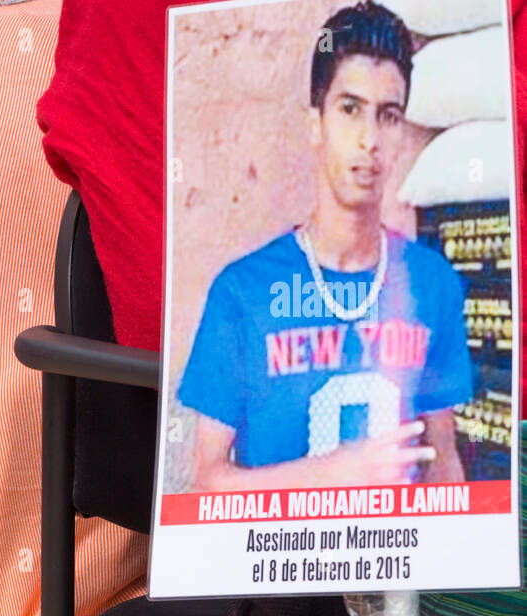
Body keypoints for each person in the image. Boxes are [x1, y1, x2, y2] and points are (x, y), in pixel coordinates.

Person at [179, 1, 474, 493]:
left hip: (396, 556)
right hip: (271, 560)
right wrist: (332, 473)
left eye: (388, 115)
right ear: (316, 123)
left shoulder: (432, 283)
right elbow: (207, 478)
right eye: (350, 109)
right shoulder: (242, 291)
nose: (369, 139)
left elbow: (442, 458)